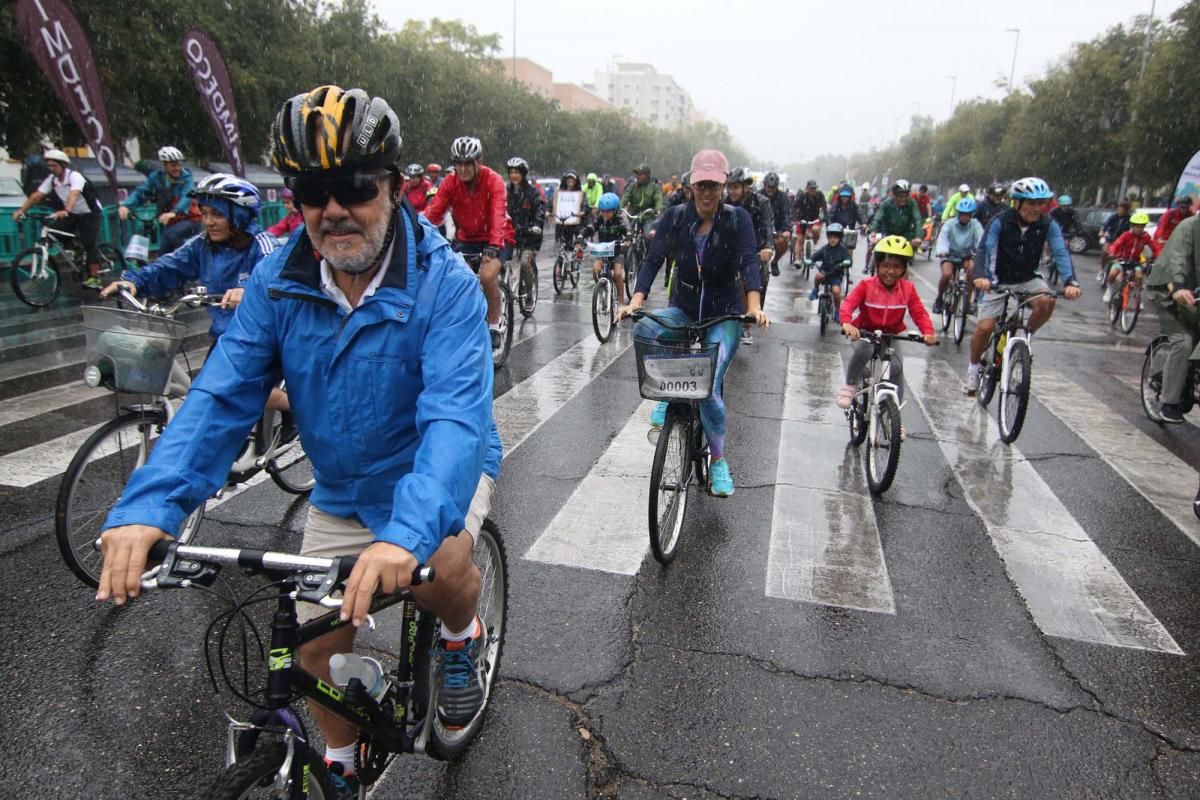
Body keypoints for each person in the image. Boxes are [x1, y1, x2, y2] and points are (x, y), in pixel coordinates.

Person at [97, 85, 502, 799]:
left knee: (441, 561)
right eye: (313, 190)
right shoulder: (278, 280)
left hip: (434, 472)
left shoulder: (448, 287)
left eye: (353, 186)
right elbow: (222, 395)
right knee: (312, 648)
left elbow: (454, 424)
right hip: (343, 485)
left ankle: (463, 639)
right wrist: (148, 506)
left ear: (396, 188)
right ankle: (341, 764)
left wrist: (406, 534)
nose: (334, 209)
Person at [617, 149, 769, 497]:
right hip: (683, 309)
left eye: (714, 185)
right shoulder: (675, 217)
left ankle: (718, 461)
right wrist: (636, 300)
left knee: (710, 388)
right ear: (691, 184)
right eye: (701, 184)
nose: (707, 192)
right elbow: (654, 259)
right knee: (645, 329)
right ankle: (668, 390)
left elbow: (749, 261)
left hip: (724, 314)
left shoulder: (738, 219)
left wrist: (754, 306)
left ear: (724, 186)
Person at [101, 172, 278, 343]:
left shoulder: (262, 244)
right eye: (205, 213)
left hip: (261, 342)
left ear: (239, 216)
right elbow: (170, 265)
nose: (208, 222)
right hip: (223, 338)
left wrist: (248, 289)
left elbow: (273, 272)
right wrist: (135, 281)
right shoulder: (202, 244)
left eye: (218, 214)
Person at [964, 177, 1081, 395]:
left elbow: (1060, 252)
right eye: (1030, 203)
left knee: (1048, 300)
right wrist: (980, 276)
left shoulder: (1047, 224)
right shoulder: (1000, 221)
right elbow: (984, 250)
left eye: (1040, 203)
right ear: (1016, 202)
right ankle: (973, 369)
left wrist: (1070, 281)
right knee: (985, 328)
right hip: (997, 279)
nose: (1036, 209)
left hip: (1028, 278)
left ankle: (1026, 336)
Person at [422, 136, 514, 349]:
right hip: (467, 238)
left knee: (487, 276)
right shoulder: (450, 183)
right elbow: (434, 212)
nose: (462, 169)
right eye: (458, 163)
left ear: (478, 161)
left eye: (467, 163)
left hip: (498, 236)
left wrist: (494, 244)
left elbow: (498, 214)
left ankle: (494, 324)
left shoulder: (493, 180)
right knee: (453, 278)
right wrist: (415, 231)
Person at [836, 235, 936, 411]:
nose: (890, 272)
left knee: (896, 368)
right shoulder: (866, 285)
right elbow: (848, 304)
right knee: (864, 349)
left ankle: (893, 414)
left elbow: (919, 312)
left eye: (897, 267)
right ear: (877, 266)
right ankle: (850, 386)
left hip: (890, 336)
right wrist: (847, 323)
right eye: (886, 266)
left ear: (904, 269)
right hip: (865, 332)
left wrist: (928, 331)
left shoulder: (908, 289)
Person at [12, 148, 105, 288]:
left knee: (89, 243)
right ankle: (76, 248)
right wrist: (21, 210)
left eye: (54, 165)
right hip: (72, 212)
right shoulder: (52, 180)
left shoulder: (74, 176)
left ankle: (95, 278)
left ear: (63, 165)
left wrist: (66, 210)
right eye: (49, 166)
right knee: (54, 233)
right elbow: (37, 195)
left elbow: (74, 194)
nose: (51, 169)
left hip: (89, 212)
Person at [1145, 212, 1200, 424]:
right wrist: (1178, 286)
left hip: (1196, 298)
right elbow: (1178, 258)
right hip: (1170, 291)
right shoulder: (1189, 226)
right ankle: (1169, 402)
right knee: (1183, 342)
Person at [119, 146, 203, 255]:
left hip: (190, 219)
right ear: (164, 165)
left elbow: (187, 196)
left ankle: (191, 259)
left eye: (178, 164)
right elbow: (141, 191)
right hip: (169, 222)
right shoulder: (157, 177)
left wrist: (174, 212)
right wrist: (126, 205)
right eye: (173, 165)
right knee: (162, 255)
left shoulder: (186, 177)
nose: (177, 168)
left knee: (172, 235)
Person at [726, 166, 775, 345]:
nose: (731, 191)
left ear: (746, 187)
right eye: (729, 187)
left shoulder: (761, 202)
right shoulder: (724, 202)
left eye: (735, 187)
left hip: (756, 249)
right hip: (731, 248)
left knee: (749, 281)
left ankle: (746, 325)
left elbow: (768, 226)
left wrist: (768, 247)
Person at [933, 197, 985, 314]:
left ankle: (967, 302)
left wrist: (979, 253)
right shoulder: (949, 224)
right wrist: (942, 250)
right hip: (949, 254)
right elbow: (942, 238)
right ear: (958, 214)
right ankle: (939, 299)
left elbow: (980, 240)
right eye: (962, 214)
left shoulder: (975, 225)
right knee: (947, 274)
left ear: (971, 215)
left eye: (968, 214)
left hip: (966, 256)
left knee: (972, 271)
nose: (965, 217)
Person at [505, 156, 546, 302]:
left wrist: (537, 225)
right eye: (511, 172)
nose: (514, 175)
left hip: (529, 236)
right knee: (499, 263)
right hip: (509, 234)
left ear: (523, 174)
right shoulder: (505, 192)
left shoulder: (533, 192)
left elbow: (540, 209)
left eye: (517, 172)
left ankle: (529, 293)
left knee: (524, 263)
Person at [1102, 211, 1161, 303]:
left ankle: (1137, 296)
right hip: (1122, 260)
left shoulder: (1146, 237)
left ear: (1144, 227)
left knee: (1139, 277)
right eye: (1136, 226)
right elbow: (1116, 245)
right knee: (1112, 274)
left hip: (1136, 262)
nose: (1138, 229)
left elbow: (1155, 247)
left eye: (1141, 226)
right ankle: (1109, 290)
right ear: (1132, 226)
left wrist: (1159, 256)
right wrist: (1112, 252)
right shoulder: (1126, 235)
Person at [869, 180, 924, 271]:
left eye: (906, 195)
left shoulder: (912, 204)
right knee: (873, 247)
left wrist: (918, 237)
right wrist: (873, 232)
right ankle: (870, 265)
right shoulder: (886, 204)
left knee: (905, 265)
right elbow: (877, 218)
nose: (903, 199)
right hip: (886, 233)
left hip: (905, 236)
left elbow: (917, 220)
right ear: (894, 195)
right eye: (900, 196)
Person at [591, 192, 631, 303]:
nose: (605, 214)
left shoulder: (619, 219)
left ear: (615, 210)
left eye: (608, 211)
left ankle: (621, 301)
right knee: (595, 270)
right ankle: (601, 289)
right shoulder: (600, 219)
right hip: (602, 251)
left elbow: (626, 229)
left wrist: (628, 238)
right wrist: (581, 236)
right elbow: (591, 227)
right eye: (602, 211)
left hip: (615, 252)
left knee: (618, 274)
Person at [807, 222, 852, 320]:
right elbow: (816, 255)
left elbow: (848, 258)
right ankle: (815, 290)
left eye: (835, 238)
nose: (832, 240)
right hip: (825, 271)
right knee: (818, 276)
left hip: (836, 274)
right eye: (830, 237)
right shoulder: (825, 249)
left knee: (836, 291)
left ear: (840, 238)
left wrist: (847, 262)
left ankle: (837, 310)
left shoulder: (843, 250)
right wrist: (810, 260)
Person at [621, 163, 664, 238]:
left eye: (640, 174)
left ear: (647, 175)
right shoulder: (632, 187)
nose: (637, 176)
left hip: (648, 216)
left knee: (648, 236)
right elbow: (625, 197)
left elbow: (658, 199)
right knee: (627, 236)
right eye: (636, 174)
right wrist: (619, 208)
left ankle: (650, 249)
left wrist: (658, 209)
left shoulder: (654, 187)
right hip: (634, 216)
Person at [760, 172, 790, 275]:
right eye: (768, 186)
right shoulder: (757, 196)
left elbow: (787, 215)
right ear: (764, 185)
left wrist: (786, 229)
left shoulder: (784, 198)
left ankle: (775, 261)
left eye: (773, 187)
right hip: (761, 228)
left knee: (784, 241)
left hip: (777, 229)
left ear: (777, 186)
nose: (770, 189)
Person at [791, 179, 827, 260]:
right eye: (811, 188)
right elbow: (794, 207)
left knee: (816, 230)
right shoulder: (802, 196)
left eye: (814, 188)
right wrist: (794, 218)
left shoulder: (819, 195)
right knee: (800, 239)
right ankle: (797, 259)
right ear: (807, 188)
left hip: (814, 219)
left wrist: (825, 217)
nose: (813, 190)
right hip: (802, 219)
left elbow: (824, 207)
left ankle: (814, 243)